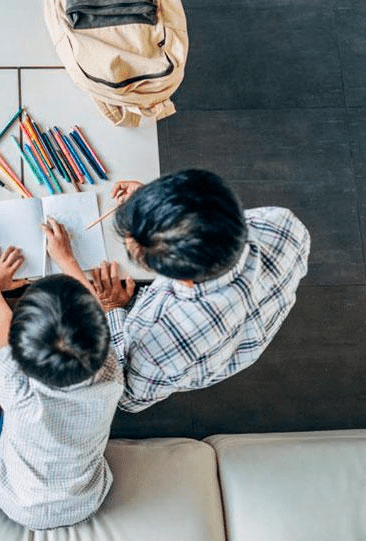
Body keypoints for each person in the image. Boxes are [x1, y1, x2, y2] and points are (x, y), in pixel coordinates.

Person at [87, 169, 311, 412]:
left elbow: (125, 399)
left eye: (141, 256)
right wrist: (157, 209)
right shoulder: (281, 223)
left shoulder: (161, 340)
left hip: (197, 348)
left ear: (181, 277)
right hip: (258, 312)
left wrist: (112, 308)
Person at [0, 245, 122, 530]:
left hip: (18, 503)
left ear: (16, 347)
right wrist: (67, 258)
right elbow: (97, 319)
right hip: (86, 500)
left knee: (3, 402)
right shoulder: (110, 373)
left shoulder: (13, 382)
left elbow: (0, 323)